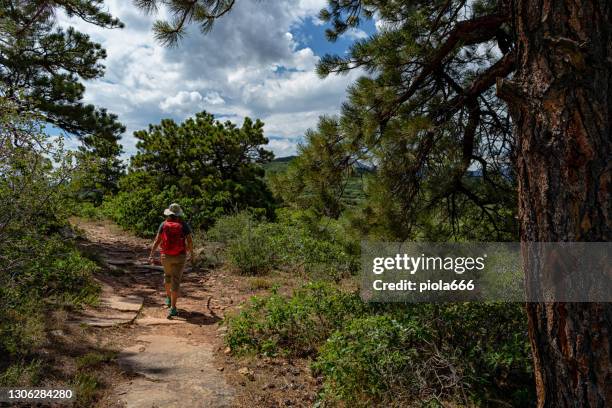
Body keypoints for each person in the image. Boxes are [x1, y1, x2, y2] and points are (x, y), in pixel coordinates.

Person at [148, 203, 194, 318]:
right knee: (176, 280)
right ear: (179, 214)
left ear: (169, 213)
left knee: (167, 276)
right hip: (180, 256)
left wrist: (151, 254)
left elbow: (157, 241)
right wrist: (190, 253)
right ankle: (173, 308)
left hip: (165, 256)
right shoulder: (183, 225)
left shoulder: (163, 224)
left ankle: (168, 299)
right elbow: (190, 242)